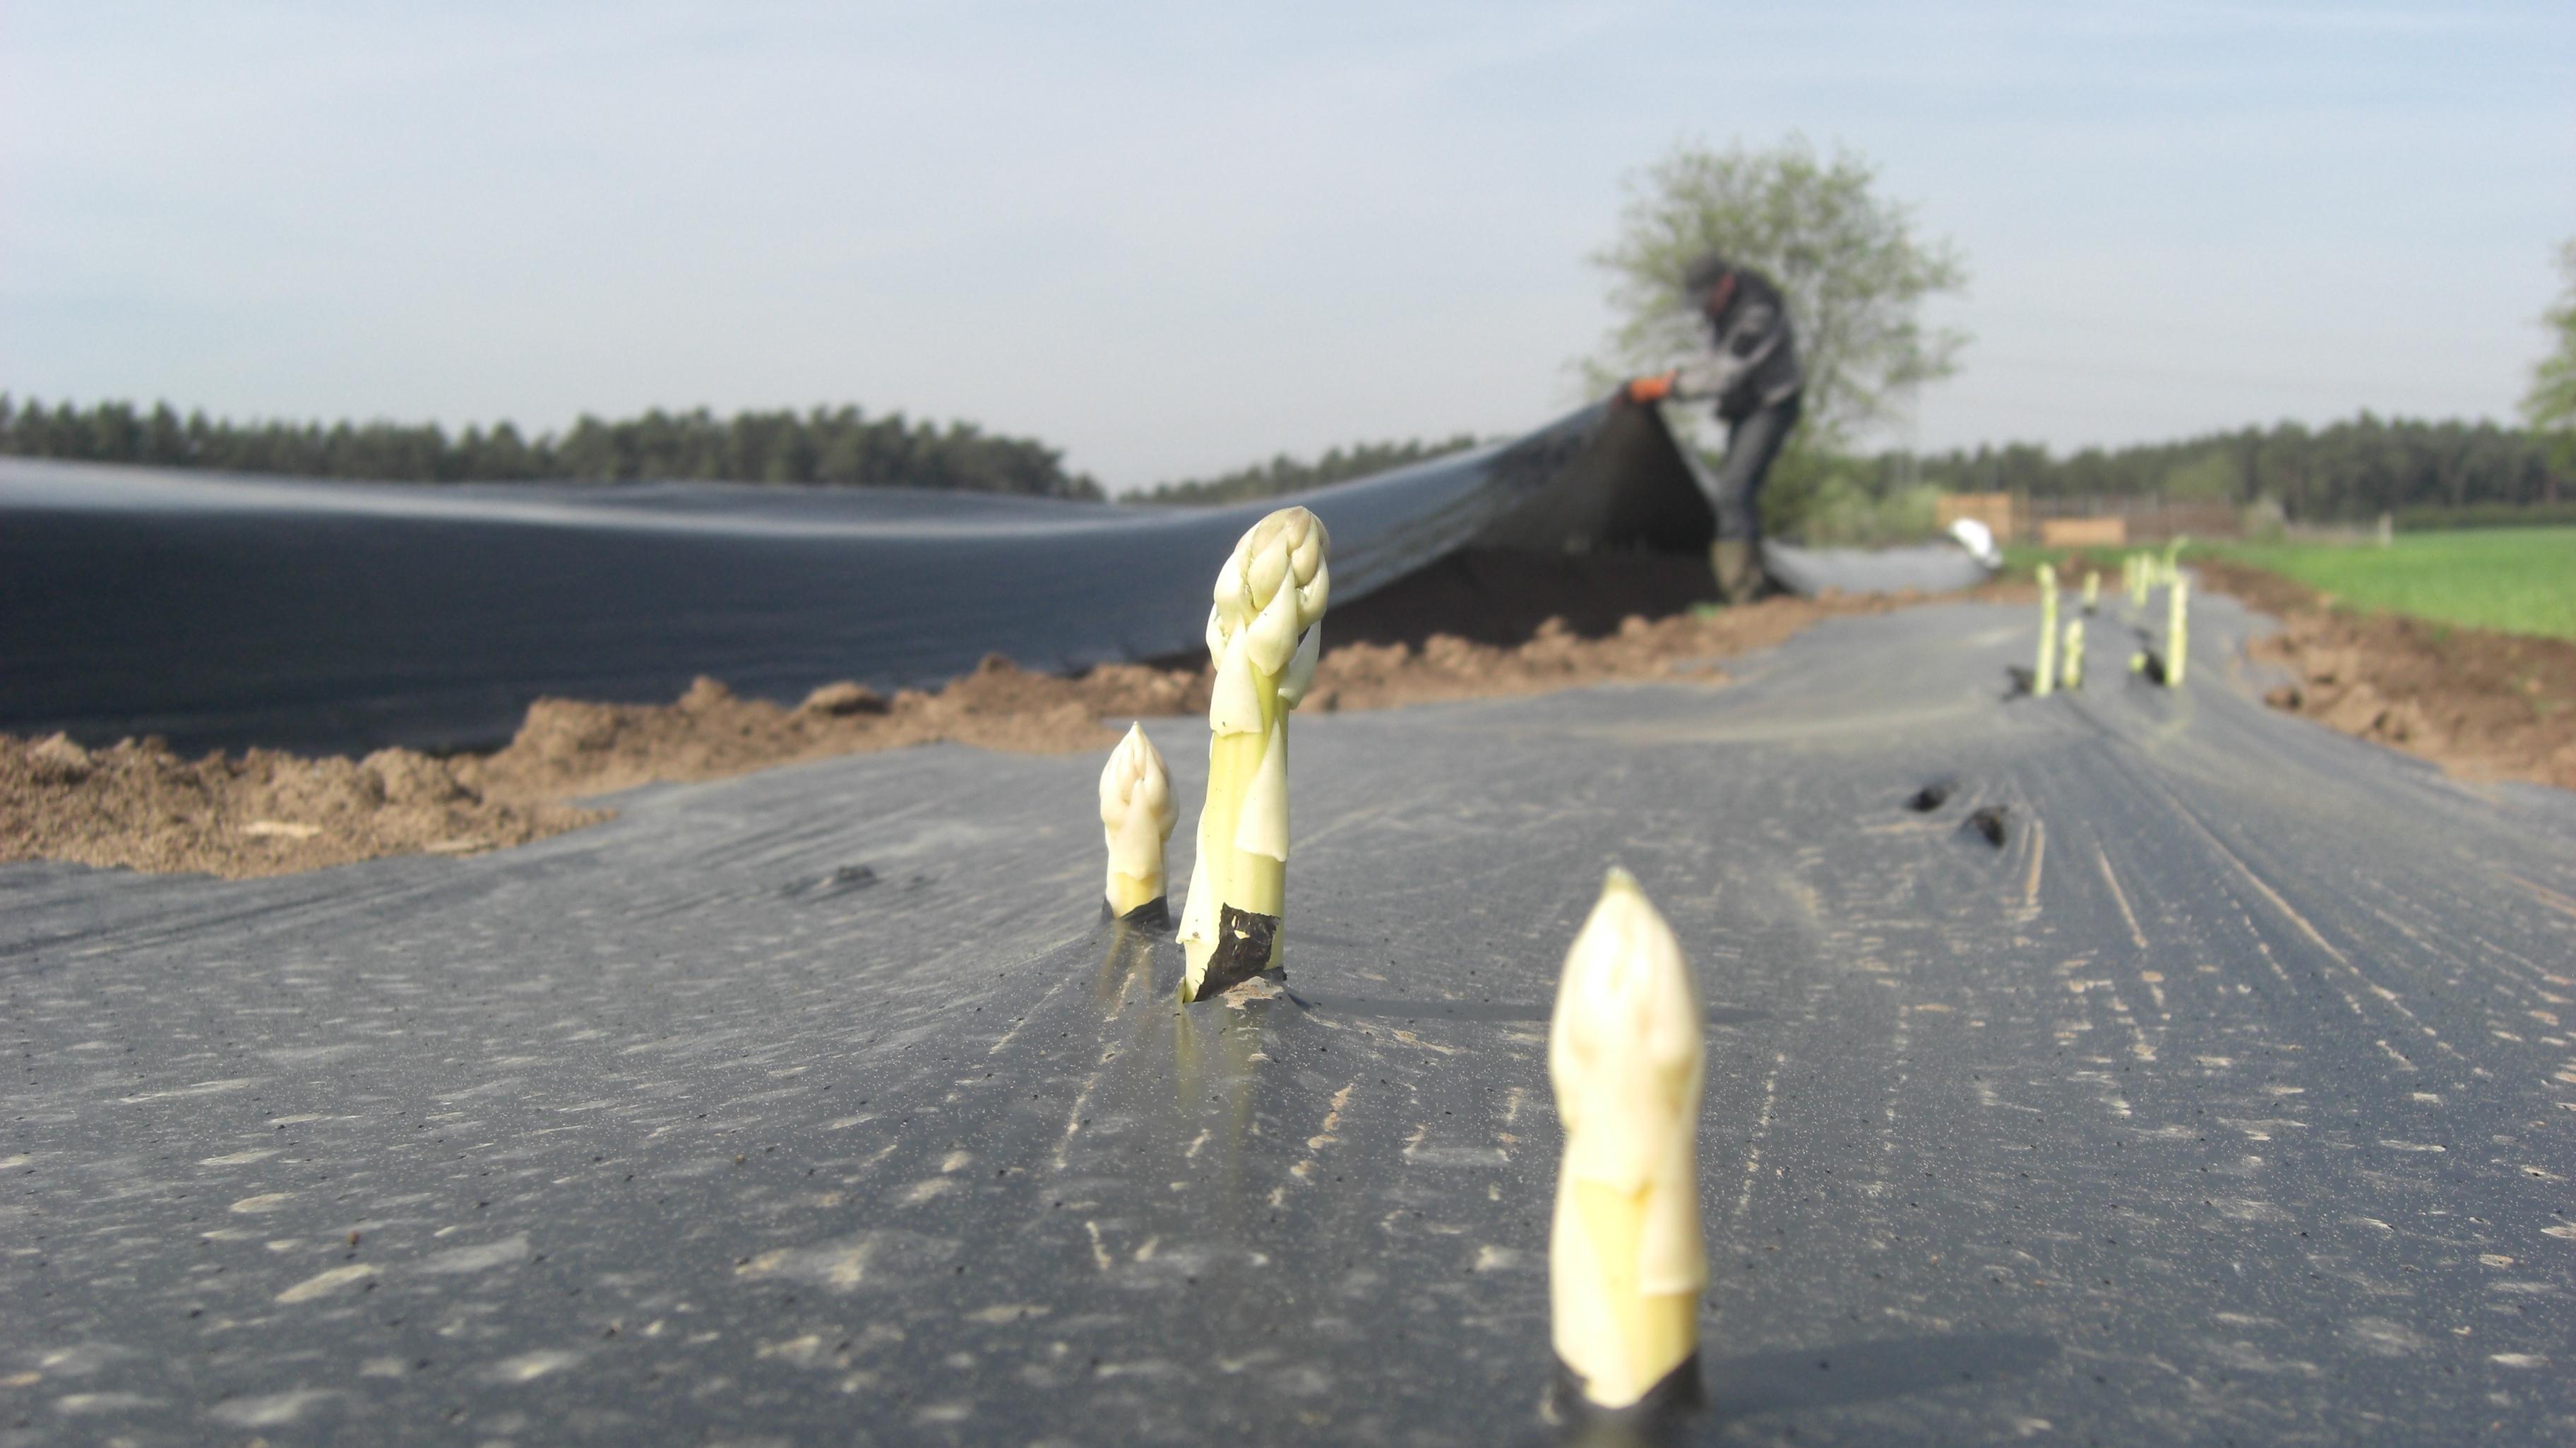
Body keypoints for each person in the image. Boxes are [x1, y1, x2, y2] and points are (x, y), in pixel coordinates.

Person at [1618, 253, 1805, 604]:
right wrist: (1673, 375)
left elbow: (1726, 371)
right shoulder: (1725, 311)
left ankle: (1743, 596)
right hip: (1747, 407)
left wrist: (1667, 388)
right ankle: (1751, 586)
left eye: (1707, 298)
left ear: (1725, 284)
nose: (1704, 309)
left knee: (1734, 489)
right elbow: (1711, 359)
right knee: (1734, 493)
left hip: (1772, 404)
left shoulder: (1758, 311)